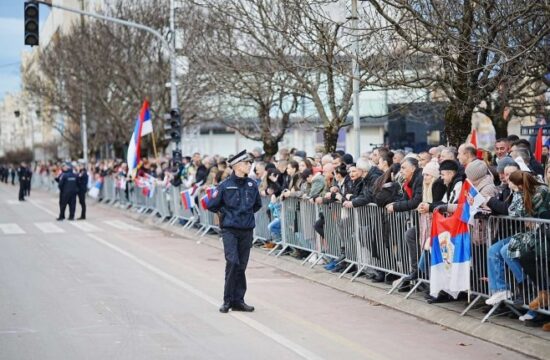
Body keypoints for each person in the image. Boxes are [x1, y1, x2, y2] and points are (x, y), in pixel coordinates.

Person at [206, 150, 262, 313]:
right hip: (230, 229)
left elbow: (257, 204)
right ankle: (227, 300)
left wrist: (245, 215)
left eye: (250, 163)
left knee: (241, 266)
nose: (249, 165)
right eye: (246, 163)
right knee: (233, 262)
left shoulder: (252, 184)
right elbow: (211, 204)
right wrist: (226, 213)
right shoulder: (225, 185)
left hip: (246, 230)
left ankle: (239, 300)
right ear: (237, 166)